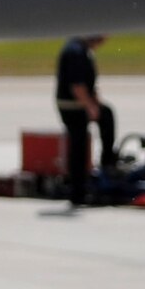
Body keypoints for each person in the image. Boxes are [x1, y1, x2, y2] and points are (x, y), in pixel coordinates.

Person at [55, 34, 116, 207]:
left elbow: (89, 83)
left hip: (80, 103)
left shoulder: (83, 50)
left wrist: (95, 101)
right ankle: (77, 192)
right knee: (78, 145)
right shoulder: (76, 51)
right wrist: (90, 106)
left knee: (107, 115)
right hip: (72, 106)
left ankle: (107, 162)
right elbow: (77, 86)